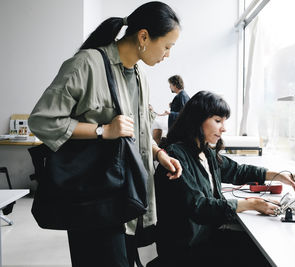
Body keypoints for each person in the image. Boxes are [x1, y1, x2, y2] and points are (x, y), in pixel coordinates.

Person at [28, 2, 182, 267]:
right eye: (167, 46)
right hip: (93, 197)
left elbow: (139, 128)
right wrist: (102, 130)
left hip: (128, 195)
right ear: (144, 37)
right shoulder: (86, 64)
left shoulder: (139, 75)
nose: (167, 55)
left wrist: (159, 154)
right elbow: (42, 121)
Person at [154, 91, 295, 267]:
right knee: (260, 255)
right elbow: (198, 206)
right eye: (218, 121)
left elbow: (237, 171)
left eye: (224, 122)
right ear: (197, 119)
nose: (223, 128)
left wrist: (277, 176)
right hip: (187, 249)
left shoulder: (206, 152)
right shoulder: (176, 155)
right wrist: (251, 204)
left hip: (205, 237)